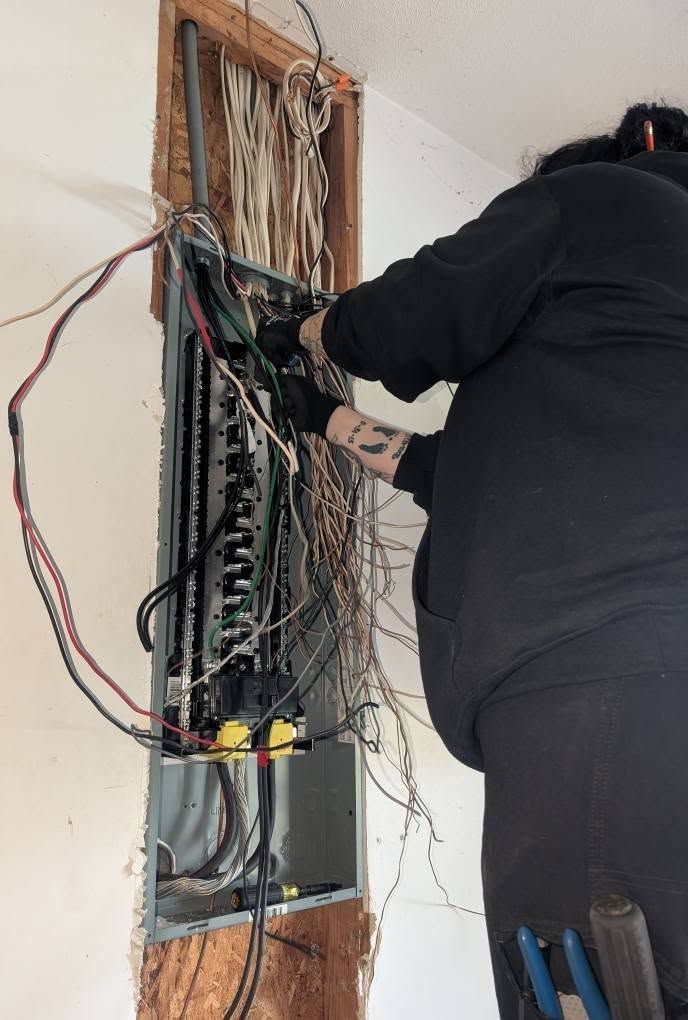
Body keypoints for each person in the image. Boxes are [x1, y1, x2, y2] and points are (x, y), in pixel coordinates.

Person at [257, 100, 688, 1017]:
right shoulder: (636, 361)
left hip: (604, 685)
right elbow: (462, 476)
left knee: (594, 985)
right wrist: (325, 417)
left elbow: (420, 312)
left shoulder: (609, 196)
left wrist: (309, 331)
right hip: (628, 683)